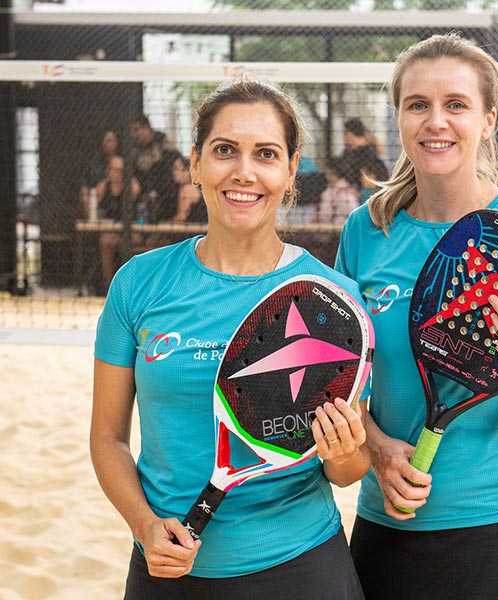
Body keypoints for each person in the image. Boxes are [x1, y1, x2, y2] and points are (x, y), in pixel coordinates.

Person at [335, 33, 498, 600]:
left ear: (488, 119)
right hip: (389, 523)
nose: (436, 122)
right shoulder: (365, 230)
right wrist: (378, 450)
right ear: (399, 118)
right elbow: (342, 384)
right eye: (418, 105)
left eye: (456, 104)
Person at [90, 77, 368, 599]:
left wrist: (345, 449)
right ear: (195, 163)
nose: (244, 172)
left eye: (266, 154)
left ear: (291, 170)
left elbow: (347, 471)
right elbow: (108, 438)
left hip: (300, 568)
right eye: (224, 150)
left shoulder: (332, 301)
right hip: (165, 567)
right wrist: (144, 526)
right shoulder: (138, 283)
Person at [95, 155, 142, 295]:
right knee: (106, 241)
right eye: (113, 169)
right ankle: (110, 286)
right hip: (109, 229)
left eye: (119, 170)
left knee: (129, 241)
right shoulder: (103, 187)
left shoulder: (131, 186)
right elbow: (95, 209)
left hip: (131, 230)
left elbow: (136, 193)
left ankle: (128, 287)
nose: (116, 173)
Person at [128, 115, 178, 223]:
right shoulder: (134, 148)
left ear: (146, 128)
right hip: (145, 190)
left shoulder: (162, 141)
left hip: (166, 188)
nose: (135, 134)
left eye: (136, 130)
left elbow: (175, 159)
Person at [342, 118, 389, 203]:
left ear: (350, 133)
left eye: (346, 132)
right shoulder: (348, 152)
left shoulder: (370, 152)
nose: (344, 135)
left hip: (367, 191)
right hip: (354, 191)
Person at [80, 130, 120, 219]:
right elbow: (85, 184)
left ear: (116, 143)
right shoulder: (95, 164)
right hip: (98, 201)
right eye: (107, 141)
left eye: (112, 141)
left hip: (117, 200)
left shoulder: (120, 162)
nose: (109, 144)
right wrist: (85, 197)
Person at [317, 156, 359, 225]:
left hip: (342, 224)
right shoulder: (329, 189)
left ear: (333, 172)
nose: (326, 174)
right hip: (329, 225)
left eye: (327, 171)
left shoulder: (347, 192)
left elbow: (352, 213)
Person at [170, 155, 206, 224]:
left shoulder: (187, 189)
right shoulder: (191, 187)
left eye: (176, 169)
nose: (174, 173)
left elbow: (182, 216)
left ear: (187, 172)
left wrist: (171, 223)